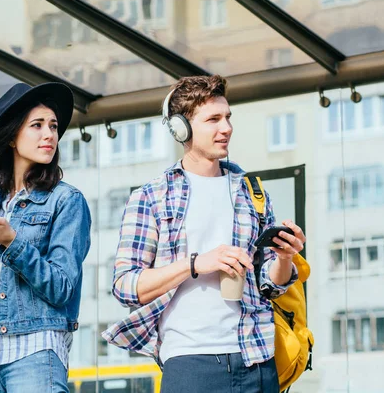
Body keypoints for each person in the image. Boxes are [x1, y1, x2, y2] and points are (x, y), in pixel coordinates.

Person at [102, 75, 306, 392]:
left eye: (227, 118)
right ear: (181, 128)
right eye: (213, 119)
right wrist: (196, 263)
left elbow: (271, 286)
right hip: (190, 364)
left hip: (256, 359)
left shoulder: (252, 193)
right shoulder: (151, 197)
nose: (226, 128)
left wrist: (284, 257)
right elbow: (126, 287)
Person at [0, 82, 91, 393]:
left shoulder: (66, 201)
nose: (50, 135)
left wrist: (12, 242)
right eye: (38, 125)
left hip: (34, 355)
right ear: (13, 136)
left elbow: (63, 288)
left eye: (53, 127)